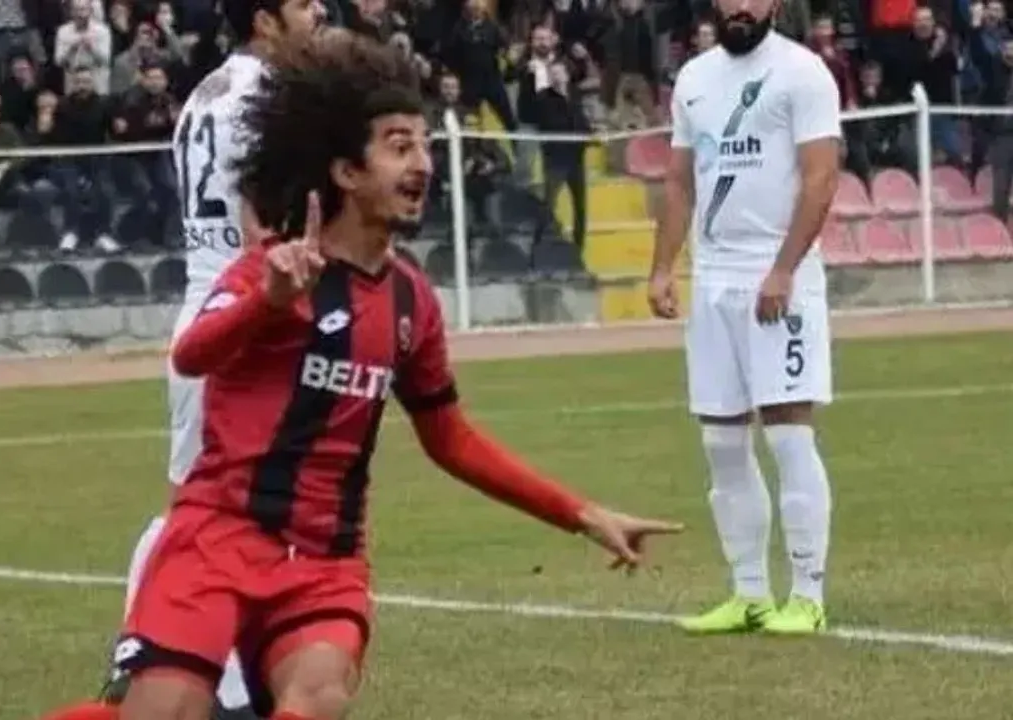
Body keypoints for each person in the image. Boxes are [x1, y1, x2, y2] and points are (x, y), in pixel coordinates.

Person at [100, 31, 681, 720]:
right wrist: (268, 303)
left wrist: (581, 514)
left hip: (324, 563)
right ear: (347, 172)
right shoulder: (274, 268)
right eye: (400, 147)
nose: (423, 164)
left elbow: (451, 438)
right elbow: (192, 355)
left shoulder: (411, 302)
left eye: (426, 146)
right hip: (216, 539)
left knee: (319, 692)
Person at [45, 3, 329, 720]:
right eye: (302, 2)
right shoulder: (271, 97)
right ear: (265, 20)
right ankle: (181, 669)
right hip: (244, 313)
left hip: (204, 302)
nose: (320, 9)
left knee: (202, 506)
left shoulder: (206, 92)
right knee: (215, 514)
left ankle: (161, 662)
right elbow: (257, 222)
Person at [648, 0, 841, 635]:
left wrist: (784, 269)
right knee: (721, 442)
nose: (740, 6)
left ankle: (807, 595)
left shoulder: (802, 71)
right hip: (714, 278)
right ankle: (750, 593)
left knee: (788, 435)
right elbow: (681, 181)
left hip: (777, 274)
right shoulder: (695, 78)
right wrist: (663, 267)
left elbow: (820, 178)